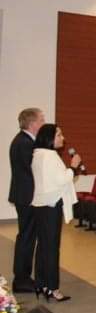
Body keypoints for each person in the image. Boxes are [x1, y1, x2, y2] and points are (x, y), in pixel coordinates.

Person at [31, 124, 81, 301]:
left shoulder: (37, 154)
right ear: (49, 138)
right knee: (52, 248)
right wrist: (73, 167)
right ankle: (53, 288)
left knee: (43, 246)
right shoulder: (50, 155)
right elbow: (61, 179)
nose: (63, 138)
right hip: (51, 205)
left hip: (40, 204)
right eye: (59, 135)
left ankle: (41, 284)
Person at [9, 108, 45, 293]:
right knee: (27, 238)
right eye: (41, 120)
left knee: (27, 237)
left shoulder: (23, 140)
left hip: (24, 195)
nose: (43, 123)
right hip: (27, 197)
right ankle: (22, 279)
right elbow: (32, 170)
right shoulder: (25, 143)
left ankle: (22, 277)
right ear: (32, 124)